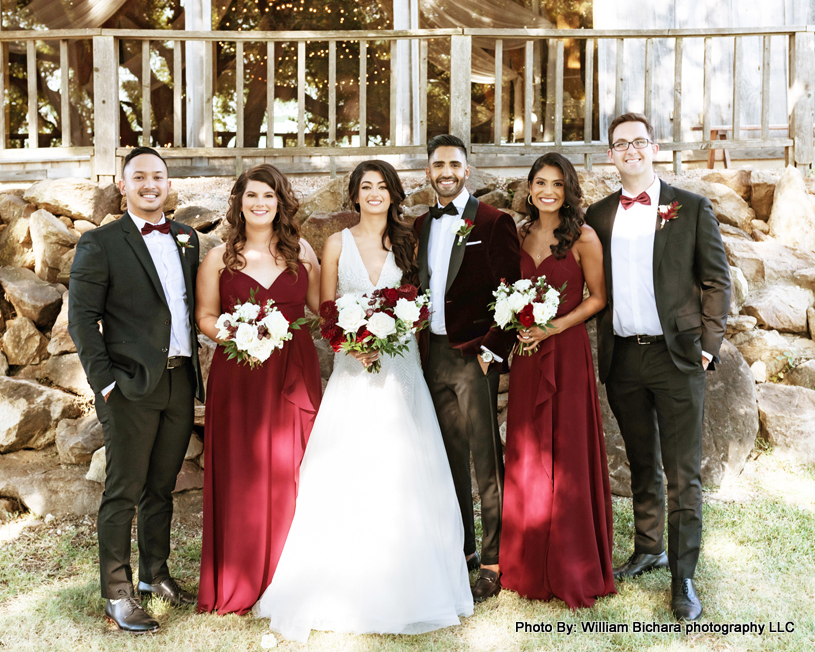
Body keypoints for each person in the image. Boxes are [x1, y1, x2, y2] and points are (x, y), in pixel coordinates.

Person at [253, 160, 473, 642]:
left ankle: (410, 580)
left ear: (394, 194)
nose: (374, 194)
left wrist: (397, 330)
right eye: (365, 187)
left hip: (402, 371)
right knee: (349, 469)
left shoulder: (409, 243)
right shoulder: (336, 243)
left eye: (382, 186)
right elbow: (324, 308)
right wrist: (351, 341)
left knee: (405, 467)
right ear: (354, 196)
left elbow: (418, 303)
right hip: (354, 372)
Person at [585, 113, 731, 621]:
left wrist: (708, 346)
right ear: (610, 155)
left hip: (677, 357)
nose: (630, 150)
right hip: (623, 355)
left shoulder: (689, 208)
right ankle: (649, 547)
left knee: (683, 472)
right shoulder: (598, 215)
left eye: (639, 142)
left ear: (655, 148)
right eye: (620, 144)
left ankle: (684, 576)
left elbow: (716, 280)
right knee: (642, 460)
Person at [68, 146, 204, 633]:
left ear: (169, 185)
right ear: (122, 186)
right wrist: (106, 384)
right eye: (140, 177)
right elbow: (82, 321)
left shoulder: (188, 238)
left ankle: (154, 574)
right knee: (123, 491)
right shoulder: (100, 243)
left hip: (179, 380)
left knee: (161, 488)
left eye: (159, 177)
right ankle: (117, 592)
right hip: (128, 386)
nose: (151, 184)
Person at [195, 164, 322, 615]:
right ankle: (241, 572)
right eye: (252, 196)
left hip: (294, 371)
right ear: (239, 203)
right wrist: (239, 333)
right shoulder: (218, 258)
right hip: (241, 374)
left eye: (268, 196)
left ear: (280, 202)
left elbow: (317, 310)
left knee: (293, 467)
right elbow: (206, 317)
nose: (260, 204)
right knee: (244, 469)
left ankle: (291, 573)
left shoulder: (302, 252)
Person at [499, 152, 615, 608]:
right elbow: (505, 293)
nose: (548, 191)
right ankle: (526, 559)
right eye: (540, 183)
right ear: (529, 188)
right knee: (527, 447)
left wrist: (554, 327)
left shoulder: (583, 237)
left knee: (567, 449)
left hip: (565, 352)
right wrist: (518, 326)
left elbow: (597, 298)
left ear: (568, 190)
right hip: (528, 353)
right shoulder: (519, 235)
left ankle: (572, 561)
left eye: (558, 184)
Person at [414, 134, 521, 602]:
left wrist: (492, 350)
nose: (446, 171)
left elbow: (513, 292)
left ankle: (495, 561)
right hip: (432, 354)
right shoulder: (420, 225)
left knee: (485, 461)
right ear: (428, 172)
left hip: (474, 355)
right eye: (438, 164)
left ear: (467, 170)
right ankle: (465, 553)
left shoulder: (494, 222)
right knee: (449, 459)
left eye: (454, 164)